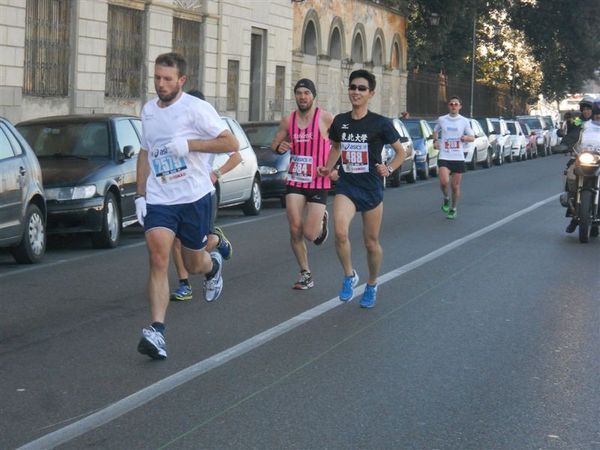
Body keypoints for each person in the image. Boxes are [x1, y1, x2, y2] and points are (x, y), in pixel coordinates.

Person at [135, 53, 239, 360]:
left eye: (167, 79)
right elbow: (145, 153)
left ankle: (214, 264)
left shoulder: (197, 109)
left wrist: (189, 145)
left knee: (195, 264)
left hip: (194, 197)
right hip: (160, 197)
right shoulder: (149, 111)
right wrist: (140, 195)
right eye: (157, 77)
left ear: (182, 80)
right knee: (158, 257)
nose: (161, 84)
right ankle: (157, 331)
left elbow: (230, 144)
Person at [317, 69, 406, 308]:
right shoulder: (340, 121)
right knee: (340, 233)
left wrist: (388, 169)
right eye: (353, 87)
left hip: (371, 188)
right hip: (347, 185)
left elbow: (401, 152)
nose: (356, 92)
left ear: (371, 93)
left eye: (361, 88)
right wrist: (327, 167)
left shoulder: (380, 123)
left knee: (371, 242)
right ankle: (349, 276)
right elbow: (336, 146)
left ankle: (372, 283)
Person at [169, 89, 241, 302]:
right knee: (175, 241)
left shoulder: (210, 128)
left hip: (203, 194)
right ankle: (184, 286)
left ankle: (217, 240)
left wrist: (216, 173)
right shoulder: (176, 128)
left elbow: (236, 156)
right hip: (177, 194)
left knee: (194, 249)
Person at [271, 78, 334, 290]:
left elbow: (340, 144)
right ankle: (305, 273)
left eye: (307, 93)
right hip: (296, 178)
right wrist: (280, 146)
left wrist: (334, 169)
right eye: (299, 93)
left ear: (313, 96)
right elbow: (275, 144)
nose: (303, 97)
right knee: (294, 228)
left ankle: (321, 221)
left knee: (310, 234)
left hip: (318, 180)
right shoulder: (288, 120)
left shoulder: (325, 118)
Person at [432, 96, 474, 219]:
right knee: (444, 182)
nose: (454, 106)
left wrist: (466, 138)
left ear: (460, 107)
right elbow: (435, 131)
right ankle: (446, 198)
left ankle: (453, 208)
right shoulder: (442, 119)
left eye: (456, 104)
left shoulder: (464, 121)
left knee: (455, 187)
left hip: (458, 157)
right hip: (445, 155)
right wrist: (435, 141)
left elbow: (472, 137)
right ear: (448, 106)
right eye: (451, 104)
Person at [563, 98, 600, 234]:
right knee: (571, 175)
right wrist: (564, 144)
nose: (587, 111)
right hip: (583, 157)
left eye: (589, 109)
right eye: (584, 109)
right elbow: (573, 135)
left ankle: (594, 224)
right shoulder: (583, 125)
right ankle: (574, 214)